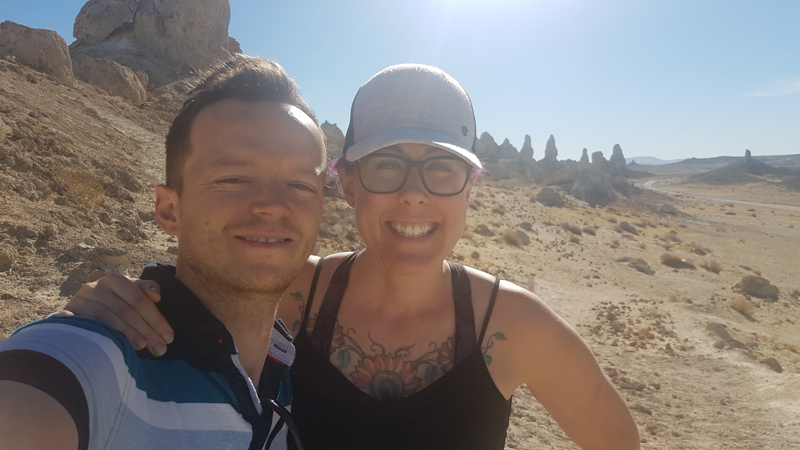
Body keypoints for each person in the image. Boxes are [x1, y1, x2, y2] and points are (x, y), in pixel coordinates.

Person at [63, 64, 640, 449]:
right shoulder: (286, 292)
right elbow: (187, 295)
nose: (414, 193)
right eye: (387, 165)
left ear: (470, 188)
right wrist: (113, 300)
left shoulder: (517, 325)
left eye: (442, 169)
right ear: (348, 185)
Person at [0, 54, 327, 450]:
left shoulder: (285, 366)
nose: (273, 204)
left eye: (300, 185)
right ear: (170, 210)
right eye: (233, 178)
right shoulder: (97, 359)